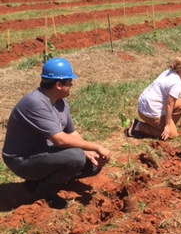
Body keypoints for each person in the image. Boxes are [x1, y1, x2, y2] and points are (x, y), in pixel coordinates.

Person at [2, 58, 111, 209]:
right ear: (58, 85)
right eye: (69, 82)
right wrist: (95, 146)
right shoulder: (35, 103)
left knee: (92, 164)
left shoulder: (60, 102)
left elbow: (71, 132)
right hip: (22, 160)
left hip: (43, 154)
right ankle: (44, 192)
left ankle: (38, 182)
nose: (72, 84)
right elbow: (60, 140)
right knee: (76, 157)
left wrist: (90, 151)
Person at [131, 57, 181, 140]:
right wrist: (167, 126)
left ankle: (166, 124)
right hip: (149, 112)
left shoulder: (170, 72)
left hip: (144, 105)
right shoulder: (176, 84)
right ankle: (138, 126)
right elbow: (169, 104)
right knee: (172, 135)